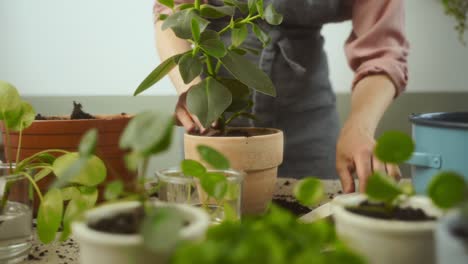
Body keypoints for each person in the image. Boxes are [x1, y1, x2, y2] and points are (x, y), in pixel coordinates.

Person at [153, 0, 409, 193]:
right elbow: (175, 11)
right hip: (214, 119)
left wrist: (359, 128)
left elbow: (382, 52)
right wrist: (191, 89)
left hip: (310, 121)